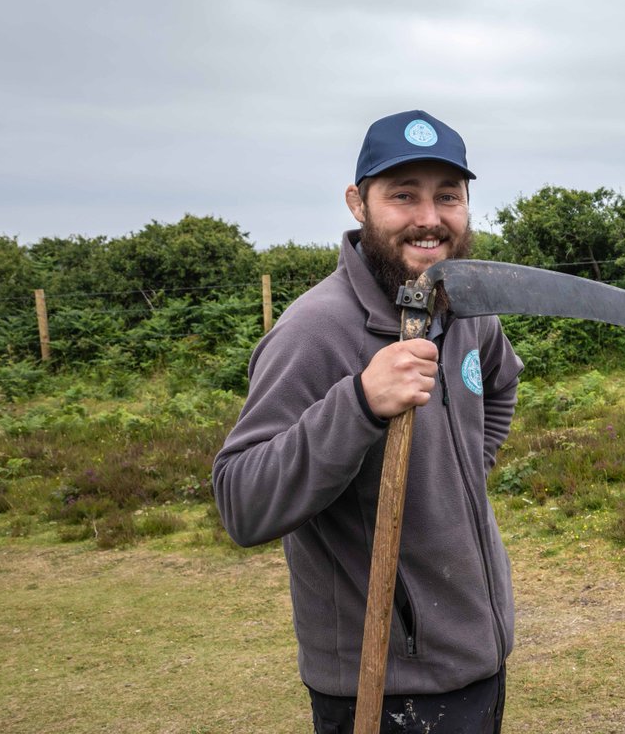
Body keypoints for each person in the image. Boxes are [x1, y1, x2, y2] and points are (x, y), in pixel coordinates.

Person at [213, 110, 522, 734]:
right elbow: (242, 503)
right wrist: (357, 402)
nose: (429, 218)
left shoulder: (465, 309)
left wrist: (465, 481)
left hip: (479, 656)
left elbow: (500, 383)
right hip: (380, 684)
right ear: (358, 202)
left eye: (448, 196)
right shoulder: (314, 331)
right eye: (402, 195)